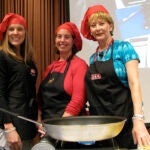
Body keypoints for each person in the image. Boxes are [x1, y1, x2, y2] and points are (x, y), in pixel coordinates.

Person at [80, 4, 150, 149]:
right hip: (102, 127)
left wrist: (139, 120)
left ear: (110, 26)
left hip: (125, 123)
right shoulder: (93, 58)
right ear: (90, 31)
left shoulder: (124, 48)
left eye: (101, 23)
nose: (98, 28)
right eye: (93, 25)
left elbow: (134, 83)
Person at [37, 22, 88, 135]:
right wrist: (39, 121)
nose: (62, 40)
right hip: (47, 128)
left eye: (67, 37)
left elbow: (78, 100)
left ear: (73, 41)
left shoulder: (79, 65)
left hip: (69, 128)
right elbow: (41, 100)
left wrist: (59, 127)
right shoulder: (50, 67)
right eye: (59, 36)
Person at [0, 13, 38, 150]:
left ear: (25, 32)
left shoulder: (29, 62)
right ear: (6, 33)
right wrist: (9, 128)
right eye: (11, 29)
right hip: (9, 130)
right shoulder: (2, 57)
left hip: (26, 128)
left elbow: (31, 96)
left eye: (20, 29)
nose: (15, 33)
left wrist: (36, 121)